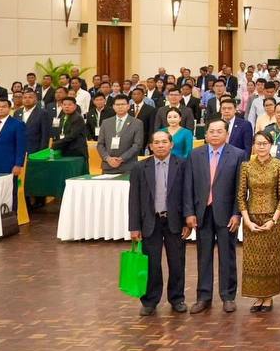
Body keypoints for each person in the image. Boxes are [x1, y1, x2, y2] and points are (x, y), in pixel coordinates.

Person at [128, 130, 191, 316]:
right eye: (157, 142)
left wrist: (187, 220)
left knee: (177, 262)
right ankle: (150, 301)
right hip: (150, 222)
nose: (161, 145)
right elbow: (134, 199)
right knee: (152, 264)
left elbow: (187, 194)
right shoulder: (140, 167)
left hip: (175, 221)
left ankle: (177, 298)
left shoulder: (183, 165)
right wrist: (134, 226)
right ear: (150, 146)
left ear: (171, 145)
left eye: (164, 142)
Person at [184, 120, 245, 313]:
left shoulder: (238, 154)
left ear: (227, 134)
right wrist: (189, 212)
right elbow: (188, 185)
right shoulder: (195, 154)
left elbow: (240, 188)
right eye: (212, 131)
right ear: (206, 134)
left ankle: (228, 296)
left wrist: (236, 213)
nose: (215, 134)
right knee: (204, 256)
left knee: (227, 256)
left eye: (219, 131)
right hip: (202, 213)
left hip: (227, 215)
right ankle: (204, 297)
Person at [237, 130, 280, 313]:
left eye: (264, 143)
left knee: (270, 260)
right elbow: (241, 195)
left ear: (270, 145)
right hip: (251, 219)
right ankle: (257, 297)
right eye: (258, 143)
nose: (261, 147)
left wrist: (274, 220)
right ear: (253, 145)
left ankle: (268, 297)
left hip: (272, 219)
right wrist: (247, 221)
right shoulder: (246, 166)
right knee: (253, 261)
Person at [97, 94, 144, 174]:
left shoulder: (137, 123)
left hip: (128, 166)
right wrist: (108, 158)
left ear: (128, 106)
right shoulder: (106, 122)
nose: (120, 107)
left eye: (123, 104)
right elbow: (100, 144)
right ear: (113, 107)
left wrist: (121, 159)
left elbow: (137, 145)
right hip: (108, 166)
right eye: (117, 105)